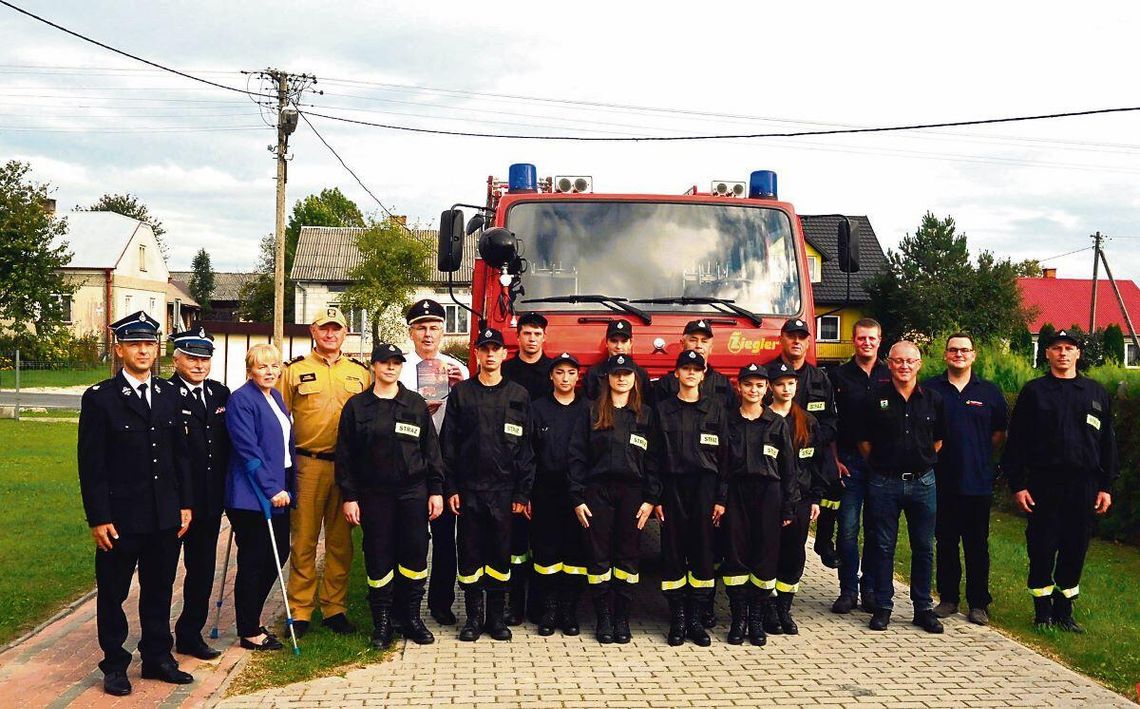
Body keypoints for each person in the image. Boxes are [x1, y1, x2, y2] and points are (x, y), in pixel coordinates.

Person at [78, 311, 193, 696]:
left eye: (149, 343)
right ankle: (114, 664)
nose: (143, 350)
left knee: (159, 589)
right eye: (134, 344)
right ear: (119, 348)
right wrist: (98, 517)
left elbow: (180, 457)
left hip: (164, 514)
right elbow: (91, 465)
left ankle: (158, 657)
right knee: (113, 593)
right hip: (121, 518)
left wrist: (185, 504)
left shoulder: (169, 394)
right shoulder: (101, 400)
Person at [1001, 329, 1117, 632]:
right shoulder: (1034, 392)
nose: (1063, 353)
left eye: (1069, 348)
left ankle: (1065, 611)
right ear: (1047, 354)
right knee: (1041, 548)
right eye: (1056, 348)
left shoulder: (1095, 392)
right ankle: (1042, 611)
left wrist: (1106, 486)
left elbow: (1108, 444)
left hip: (1084, 486)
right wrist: (1018, 484)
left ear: (1078, 354)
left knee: (1075, 549)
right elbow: (1016, 444)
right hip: (1043, 485)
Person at [336, 343, 445, 648]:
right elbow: (345, 456)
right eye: (385, 362)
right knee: (378, 556)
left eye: (396, 363)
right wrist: (350, 496)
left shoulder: (414, 404)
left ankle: (410, 618)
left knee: (414, 555)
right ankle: (382, 622)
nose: (390, 367)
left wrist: (435, 491)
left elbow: (431, 451)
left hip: (412, 492)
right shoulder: (357, 407)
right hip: (374, 495)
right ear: (374, 366)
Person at [441, 328, 536, 642]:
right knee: (470, 555)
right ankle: (473, 619)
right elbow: (449, 444)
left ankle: (496, 618)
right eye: (485, 349)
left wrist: (522, 492)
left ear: (504, 354)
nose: (491, 354)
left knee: (499, 556)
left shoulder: (518, 395)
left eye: (496, 349)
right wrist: (451, 488)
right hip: (469, 490)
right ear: (478, 355)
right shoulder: (461, 393)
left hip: (505, 492)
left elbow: (526, 448)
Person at [279, 307, 369, 637]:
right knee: (302, 541)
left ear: (346, 333)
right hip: (308, 465)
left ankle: (334, 608)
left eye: (337, 329)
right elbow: (276, 417)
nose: (330, 334)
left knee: (340, 542)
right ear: (313, 332)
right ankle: (300, 611)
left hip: (347, 470)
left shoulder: (360, 373)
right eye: (324, 329)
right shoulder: (293, 371)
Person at [567, 354, 659, 644]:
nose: (621, 378)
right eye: (616, 374)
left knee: (628, 557)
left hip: (633, 495)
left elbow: (655, 461)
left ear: (635, 379)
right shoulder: (592, 412)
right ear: (607, 378)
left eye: (627, 374)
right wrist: (577, 497)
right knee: (598, 557)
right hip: (597, 492)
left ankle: (622, 618)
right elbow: (576, 456)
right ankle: (604, 618)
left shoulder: (645, 415)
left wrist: (650, 499)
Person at [858, 341, 945, 633]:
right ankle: (883, 606)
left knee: (924, 546)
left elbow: (938, 441)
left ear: (919, 364)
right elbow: (865, 442)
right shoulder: (874, 399)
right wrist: (887, 464)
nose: (904, 366)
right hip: (885, 482)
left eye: (910, 361)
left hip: (923, 481)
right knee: (882, 546)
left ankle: (923, 608)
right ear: (890, 364)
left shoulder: (933, 399)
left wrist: (917, 460)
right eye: (898, 361)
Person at [924, 333, 1008, 626]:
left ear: (974, 355)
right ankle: (947, 598)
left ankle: (978, 603)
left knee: (977, 545)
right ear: (945, 355)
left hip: (977, 481)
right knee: (945, 542)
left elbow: (998, 434)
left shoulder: (989, 392)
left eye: (965, 350)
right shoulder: (930, 389)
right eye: (953, 350)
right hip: (940, 480)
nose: (959, 354)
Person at [399, 298, 469, 626]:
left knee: (445, 539)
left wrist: (458, 391)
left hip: (445, 463)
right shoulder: (398, 368)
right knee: (411, 538)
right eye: (421, 328)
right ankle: (406, 605)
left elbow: (471, 416)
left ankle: (441, 602)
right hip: (409, 462)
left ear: (443, 331)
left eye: (434, 328)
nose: (428, 335)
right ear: (411, 333)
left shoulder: (458, 368)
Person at [653, 349, 729, 647]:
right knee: (673, 554)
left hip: (705, 489)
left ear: (703, 374)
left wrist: (721, 498)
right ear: (676, 374)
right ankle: (678, 619)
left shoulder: (716, 410)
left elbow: (725, 459)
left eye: (696, 369)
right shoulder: (663, 410)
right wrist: (655, 495)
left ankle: (697, 620)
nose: (691, 373)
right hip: (672, 489)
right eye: (685, 368)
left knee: (703, 555)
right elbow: (654, 457)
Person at [224, 343, 296, 652]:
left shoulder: (276, 397)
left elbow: (282, 448)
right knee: (254, 560)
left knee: (279, 553)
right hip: (250, 495)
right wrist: (271, 489)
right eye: (262, 366)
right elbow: (248, 451)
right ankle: (249, 630)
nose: (269, 371)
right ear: (250, 369)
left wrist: (288, 487)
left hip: (279, 491)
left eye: (274, 366)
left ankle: (251, 617)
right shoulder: (241, 400)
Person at [719, 362, 794, 647]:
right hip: (737, 493)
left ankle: (756, 620)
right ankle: (738, 618)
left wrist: (789, 505)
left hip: (769, 494)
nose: (754, 390)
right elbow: (722, 466)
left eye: (759, 385)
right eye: (748, 384)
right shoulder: (729, 421)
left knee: (765, 556)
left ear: (766, 390)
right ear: (739, 387)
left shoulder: (776, 423)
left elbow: (788, 468)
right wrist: (721, 501)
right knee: (736, 555)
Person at [168, 327, 231, 660]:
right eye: (192, 358)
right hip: (174, 502)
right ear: (176, 358)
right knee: (162, 574)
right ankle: (156, 640)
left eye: (204, 359)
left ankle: (190, 634)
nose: (199, 365)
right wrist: (180, 501)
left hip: (209, 503)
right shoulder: (164, 395)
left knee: (202, 570)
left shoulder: (220, 394)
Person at [829, 318, 891, 614]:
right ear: (853, 340)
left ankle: (869, 588)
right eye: (862, 338)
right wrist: (834, 459)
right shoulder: (839, 376)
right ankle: (847, 590)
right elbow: (829, 422)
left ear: (880, 341)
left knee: (876, 529)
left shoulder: (890, 374)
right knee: (848, 530)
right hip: (849, 463)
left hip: (882, 465)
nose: (867, 343)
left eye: (872, 339)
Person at [767, 362, 833, 637]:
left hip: (802, 499)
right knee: (768, 552)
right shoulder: (761, 419)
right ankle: (768, 608)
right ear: (771, 387)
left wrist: (816, 498)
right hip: (769, 498)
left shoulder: (807, 422)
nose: (786, 388)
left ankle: (784, 607)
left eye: (791, 383)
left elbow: (817, 464)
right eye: (781, 383)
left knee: (794, 554)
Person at [528, 352, 589, 636]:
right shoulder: (537, 408)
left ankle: (569, 612)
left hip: (580, 495)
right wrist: (525, 492)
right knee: (546, 553)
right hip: (545, 492)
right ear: (551, 376)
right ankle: (549, 611)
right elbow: (527, 453)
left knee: (575, 554)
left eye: (571, 373)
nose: (566, 378)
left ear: (578, 377)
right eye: (560, 372)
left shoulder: (589, 409)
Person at [500, 311, 553, 625]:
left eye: (537, 334)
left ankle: (540, 606)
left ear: (544, 338)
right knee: (516, 544)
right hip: (513, 464)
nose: (531, 339)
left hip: (545, 467)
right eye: (526, 333)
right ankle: (514, 605)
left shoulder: (553, 371)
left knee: (543, 542)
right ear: (517, 337)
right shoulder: (506, 371)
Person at [774, 318, 838, 568]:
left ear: (809, 342)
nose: (796, 341)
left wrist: (812, 440)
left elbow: (832, 420)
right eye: (791, 336)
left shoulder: (821, 380)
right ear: (782, 338)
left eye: (802, 337)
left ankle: (824, 544)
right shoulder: (767, 374)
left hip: (807, 467)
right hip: (773, 469)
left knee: (795, 542)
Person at [653, 319, 738, 410]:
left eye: (704, 341)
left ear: (711, 348)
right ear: (682, 344)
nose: (698, 345)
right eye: (693, 340)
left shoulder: (723, 384)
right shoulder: (666, 384)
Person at [585, 320, 651, 401]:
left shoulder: (641, 374)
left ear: (631, 343)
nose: (619, 346)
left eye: (624, 341)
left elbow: (647, 405)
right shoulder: (593, 373)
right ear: (606, 342)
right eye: (614, 341)